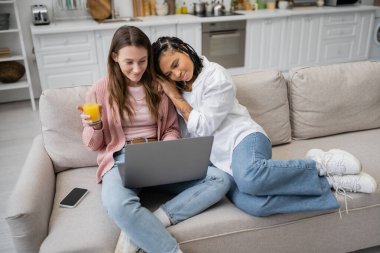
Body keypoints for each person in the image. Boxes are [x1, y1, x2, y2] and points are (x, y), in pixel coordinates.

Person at [151, 36, 378, 217]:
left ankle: (320, 165)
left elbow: (203, 127)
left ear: (183, 49)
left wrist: (175, 96)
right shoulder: (179, 87)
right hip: (220, 161)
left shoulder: (215, 76)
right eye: (169, 74)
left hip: (245, 139)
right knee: (254, 205)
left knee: (251, 178)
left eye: (176, 64)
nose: (177, 74)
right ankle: (330, 183)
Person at [78, 26, 230, 253]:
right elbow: (93, 145)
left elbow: (170, 128)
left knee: (220, 179)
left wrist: (167, 149)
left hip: (158, 156)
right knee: (117, 204)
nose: (137, 69)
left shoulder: (158, 86)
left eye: (143, 61)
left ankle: (145, 225)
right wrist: (96, 125)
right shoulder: (101, 89)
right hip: (122, 159)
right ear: (115, 57)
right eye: (129, 62)